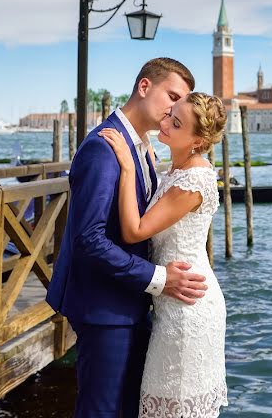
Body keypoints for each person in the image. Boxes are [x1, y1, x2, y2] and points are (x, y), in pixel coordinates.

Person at [46, 58, 209, 418]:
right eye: (172, 95)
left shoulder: (142, 147)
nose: (176, 107)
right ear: (145, 87)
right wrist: (161, 279)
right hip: (105, 308)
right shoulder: (103, 148)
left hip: (132, 304)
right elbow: (89, 240)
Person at [101, 92, 228, 418]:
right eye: (171, 114)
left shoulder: (194, 180)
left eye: (177, 123)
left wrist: (128, 167)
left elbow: (134, 230)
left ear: (198, 140)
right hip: (172, 298)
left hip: (188, 307)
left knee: (175, 405)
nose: (166, 122)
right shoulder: (176, 169)